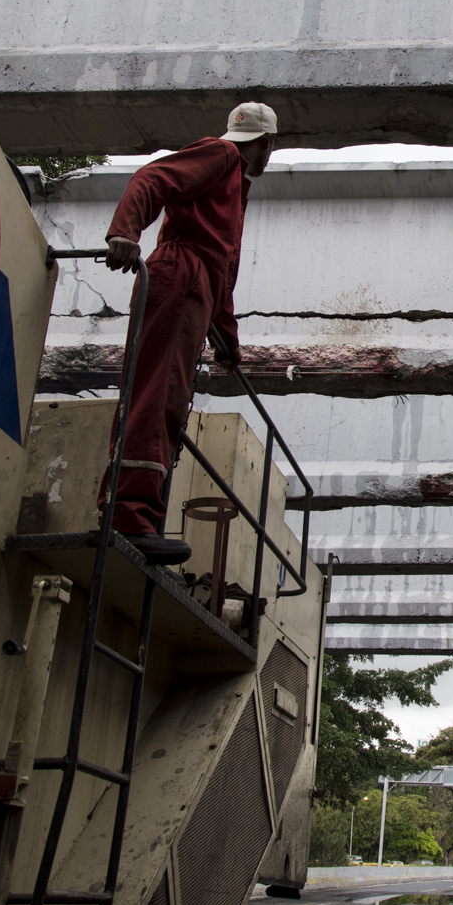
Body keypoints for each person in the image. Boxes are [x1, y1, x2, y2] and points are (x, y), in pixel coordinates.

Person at [99, 102, 278, 562]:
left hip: (196, 286)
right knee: (157, 394)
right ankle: (128, 516)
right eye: (269, 146)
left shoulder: (236, 183)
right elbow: (153, 177)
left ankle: (140, 514)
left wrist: (227, 339)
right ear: (266, 144)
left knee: (169, 400)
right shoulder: (220, 156)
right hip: (179, 277)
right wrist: (126, 230)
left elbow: (224, 269)